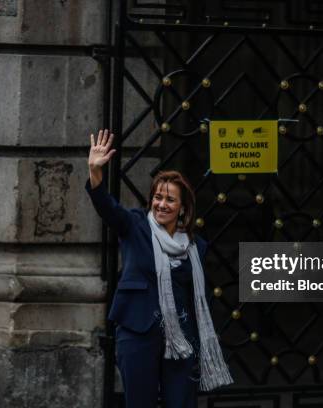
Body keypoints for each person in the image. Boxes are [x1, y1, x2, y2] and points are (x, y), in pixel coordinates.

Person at [85, 129, 233, 407]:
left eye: (170, 200)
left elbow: (197, 295)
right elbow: (108, 208)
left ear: (183, 208)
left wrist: (202, 339)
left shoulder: (195, 245)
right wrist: (95, 173)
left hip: (181, 340)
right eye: (157, 197)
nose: (162, 204)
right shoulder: (135, 225)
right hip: (137, 331)